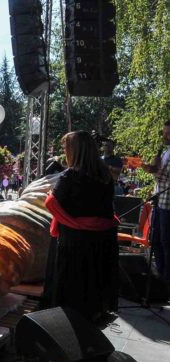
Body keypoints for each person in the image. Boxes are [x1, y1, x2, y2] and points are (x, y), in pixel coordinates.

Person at [44, 131, 119, 322]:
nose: (64, 152)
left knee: (73, 289)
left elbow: (52, 203)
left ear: (75, 151)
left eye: (66, 148)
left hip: (75, 241)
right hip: (103, 240)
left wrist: (49, 195)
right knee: (95, 283)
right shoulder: (106, 176)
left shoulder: (71, 176)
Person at [144, 119, 170, 284]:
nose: (166, 136)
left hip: (168, 206)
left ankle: (167, 282)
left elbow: (166, 178)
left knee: (167, 243)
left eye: (169, 133)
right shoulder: (166, 151)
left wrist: (151, 169)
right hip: (160, 202)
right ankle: (160, 278)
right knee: (156, 240)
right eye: (164, 132)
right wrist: (151, 167)